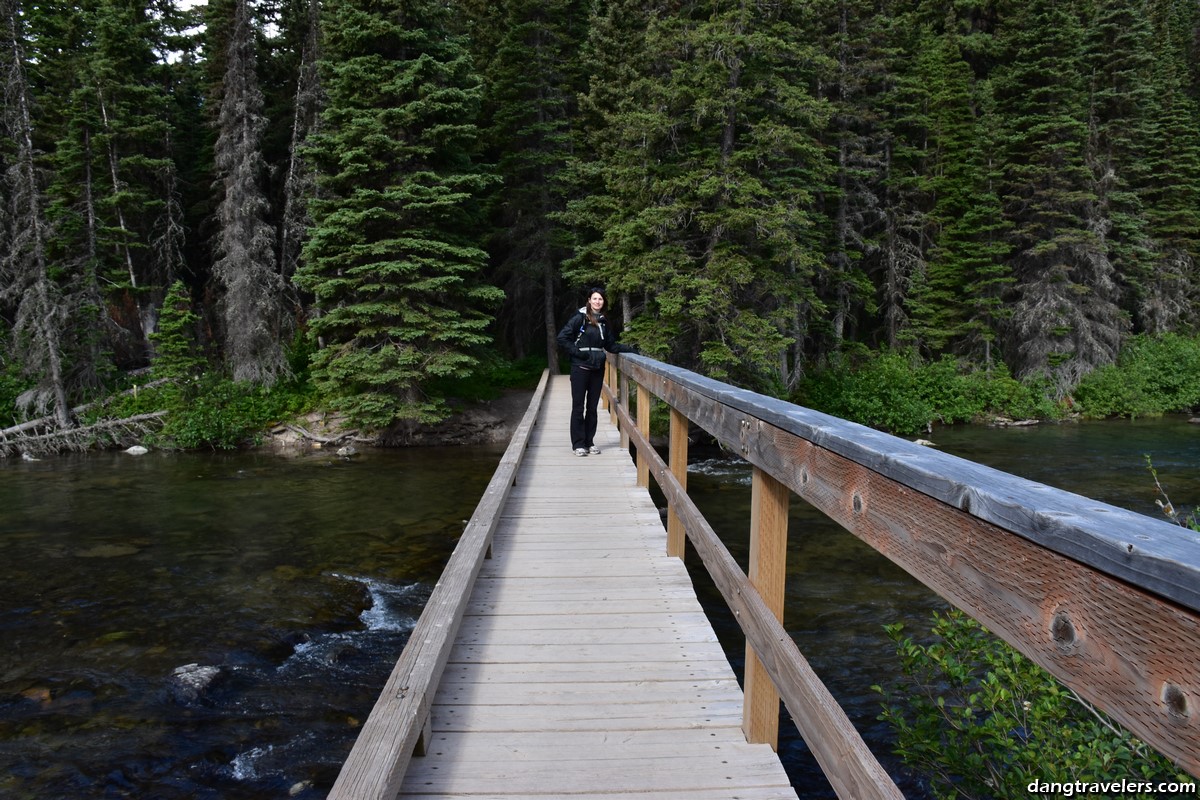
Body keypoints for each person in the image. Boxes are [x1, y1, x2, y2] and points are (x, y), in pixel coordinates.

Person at [556, 287, 637, 457]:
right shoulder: (580, 318)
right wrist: (578, 353)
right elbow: (562, 338)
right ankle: (578, 444)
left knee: (592, 407)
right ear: (589, 300)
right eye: (595, 299)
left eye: (600, 299)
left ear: (603, 302)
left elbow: (610, 346)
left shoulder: (604, 321)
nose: (598, 302)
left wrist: (631, 350)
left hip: (598, 369)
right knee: (578, 407)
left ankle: (589, 441)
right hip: (580, 368)